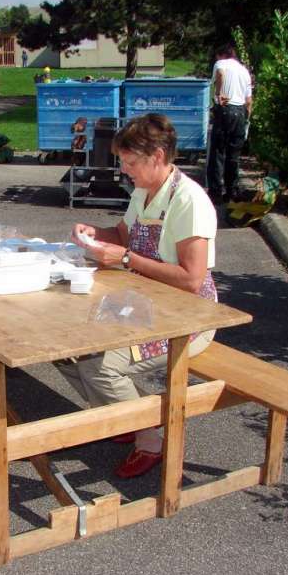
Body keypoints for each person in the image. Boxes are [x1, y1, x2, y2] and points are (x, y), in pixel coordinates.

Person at [63, 114, 218, 479]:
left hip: (189, 317)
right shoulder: (144, 191)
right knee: (69, 349)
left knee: (100, 366)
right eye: (123, 161)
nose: (124, 169)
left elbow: (192, 281)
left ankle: (150, 439)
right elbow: (122, 233)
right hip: (146, 302)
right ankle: (124, 415)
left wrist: (127, 258)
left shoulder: (190, 201)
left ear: (159, 156)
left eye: (131, 162)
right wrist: (95, 233)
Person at [206, 44, 253, 204]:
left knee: (218, 152)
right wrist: (247, 121)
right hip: (240, 112)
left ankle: (216, 191)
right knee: (233, 154)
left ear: (221, 55)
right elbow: (248, 101)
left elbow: (219, 74)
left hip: (225, 109)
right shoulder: (244, 71)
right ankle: (231, 190)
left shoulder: (221, 64)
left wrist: (219, 94)